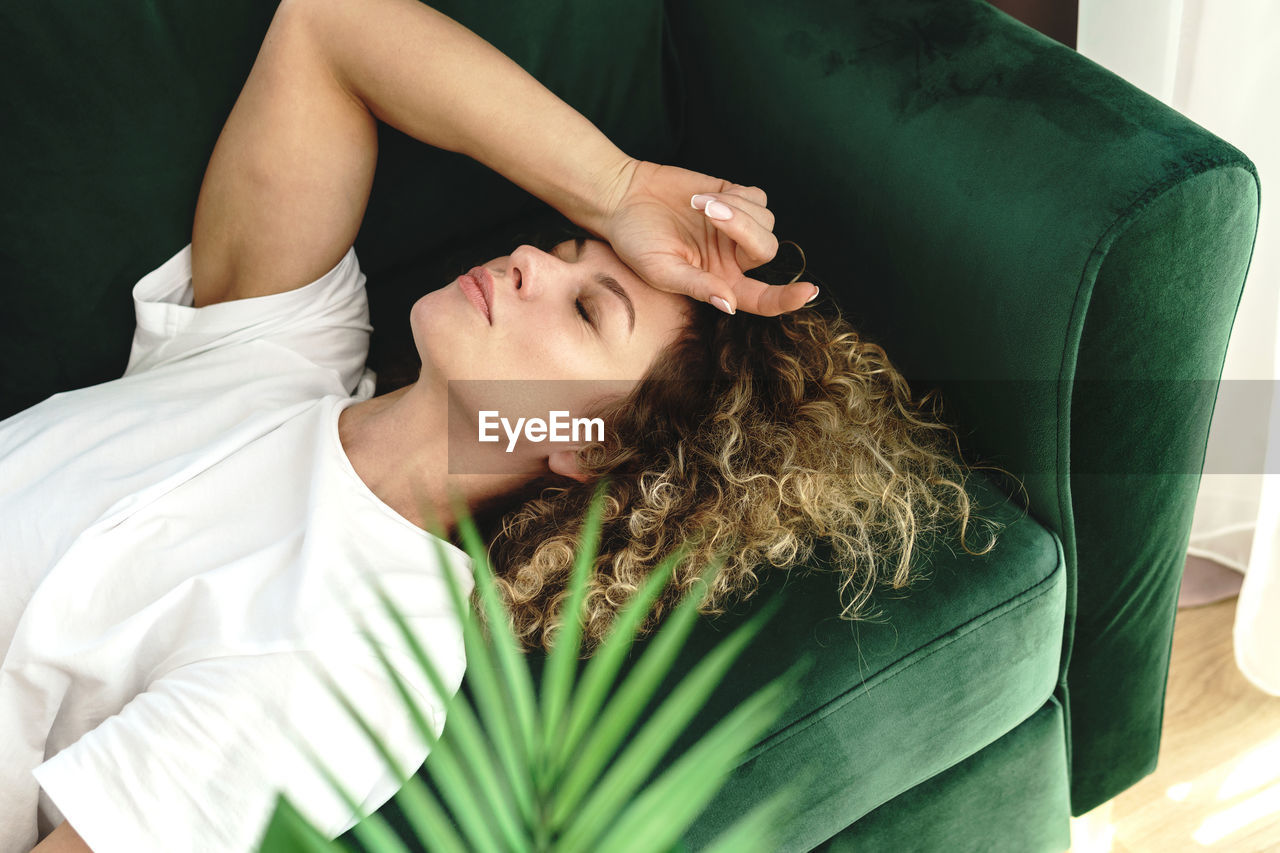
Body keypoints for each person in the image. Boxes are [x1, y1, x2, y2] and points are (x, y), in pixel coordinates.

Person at [0, 0, 998, 850]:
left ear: (588, 445)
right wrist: (614, 187)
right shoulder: (279, 352)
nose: (532, 258)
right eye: (571, 251)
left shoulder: (356, 660)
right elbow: (331, 26)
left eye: (581, 309)